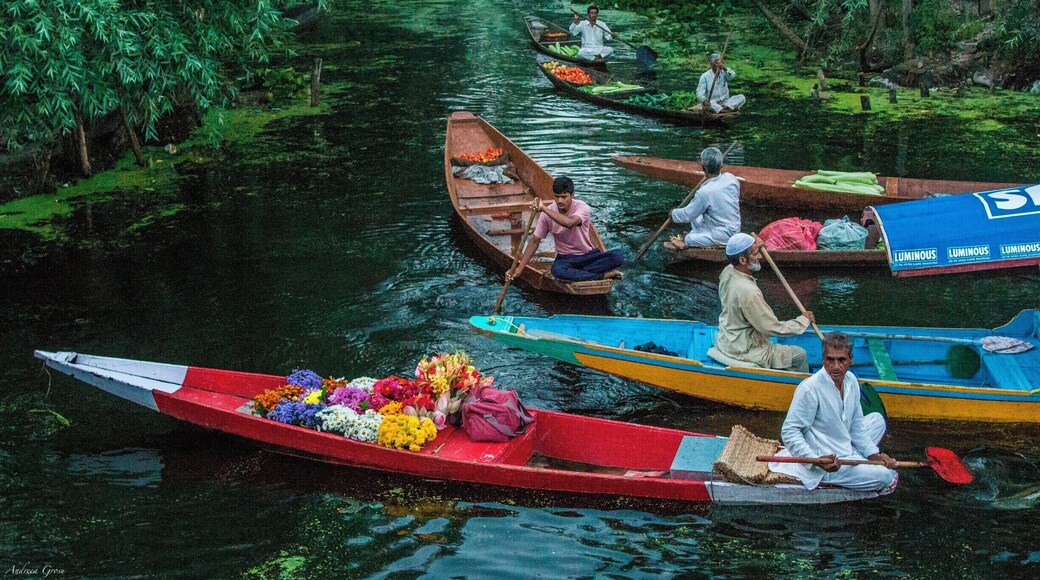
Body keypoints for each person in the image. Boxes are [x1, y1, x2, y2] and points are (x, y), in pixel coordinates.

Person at [769, 332, 898, 494]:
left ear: (850, 360)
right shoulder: (810, 388)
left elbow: (856, 426)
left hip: (844, 448)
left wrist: (873, 454)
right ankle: (854, 463)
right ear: (823, 359)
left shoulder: (851, 381)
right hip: (824, 464)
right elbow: (789, 431)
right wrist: (815, 460)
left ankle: (858, 457)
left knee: (877, 420)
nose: (836, 366)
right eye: (830, 360)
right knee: (885, 477)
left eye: (842, 360)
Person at [715, 233, 814, 372]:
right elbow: (771, 328)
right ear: (743, 260)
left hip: (728, 339)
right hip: (745, 349)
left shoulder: (727, 271)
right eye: (756, 253)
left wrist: (756, 245)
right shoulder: (749, 292)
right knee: (800, 355)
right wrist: (803, 321)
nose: (760, 256)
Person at [507, 176, 623, 283]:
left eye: (564, 197)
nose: (560, 201)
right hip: (565, 258)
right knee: (557, 271)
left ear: (572, 196)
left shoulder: (582, 207)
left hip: (587, 255)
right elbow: (534, 242)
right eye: (557, 197)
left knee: (617, 257)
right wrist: (519, 268)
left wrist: (543, 208)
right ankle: (601, 276)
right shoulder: (547, 214)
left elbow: (569, 223)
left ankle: (580, 274)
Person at [667, 146, 741, 249]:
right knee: (697, 216)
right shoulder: (731, 178)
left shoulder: (704, 192)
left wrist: (673, 213)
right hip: (734, 227)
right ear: (721, 165)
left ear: (703, 167)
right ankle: (701, 234)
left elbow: (687, 215)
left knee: (689, 239)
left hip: (724, 235)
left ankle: (695, 237)